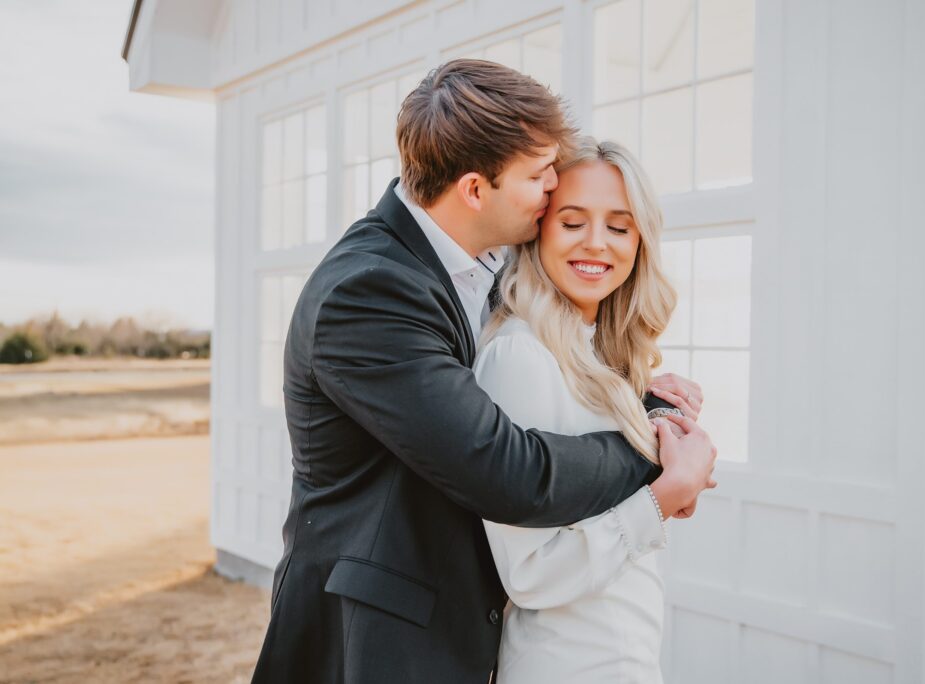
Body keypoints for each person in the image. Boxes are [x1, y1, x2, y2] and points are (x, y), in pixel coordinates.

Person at [251, 59, 716, 684]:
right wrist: (657, 456)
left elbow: (567, 373)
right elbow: (507, 471)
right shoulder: (367, 291)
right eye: (538, 175)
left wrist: (646, 404)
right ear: (475, 189)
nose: (554, 187)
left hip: (472, 627)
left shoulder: (484, 268)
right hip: (380, 636)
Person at [474, 138, 716, 683]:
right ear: (538, 232)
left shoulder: (596, 354)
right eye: (573, 222)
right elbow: (529, 573)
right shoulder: (519, 356)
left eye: (619, 225)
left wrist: (649, 418)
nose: (597, 244)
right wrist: (662, 497)